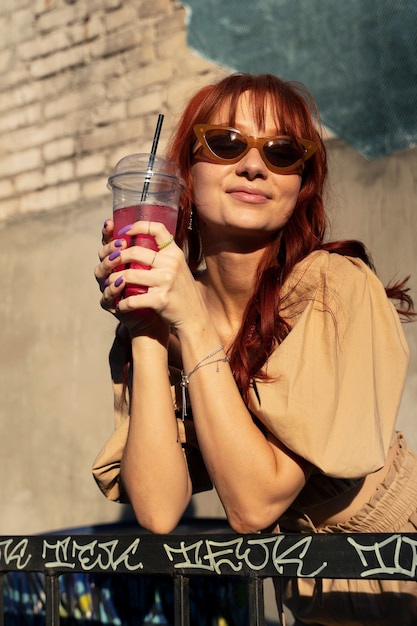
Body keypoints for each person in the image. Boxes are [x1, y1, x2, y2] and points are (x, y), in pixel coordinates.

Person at [92, 73, 417, 625]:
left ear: (300, 187)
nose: (253, 165)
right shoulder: (172, 310)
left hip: (400, 573)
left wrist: (190, 324)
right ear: (185, 175)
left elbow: (254, 502)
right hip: (310, 590)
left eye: (283, 152)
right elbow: (160, 508)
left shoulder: (335, 289)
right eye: (226, 142)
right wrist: (147, 327)